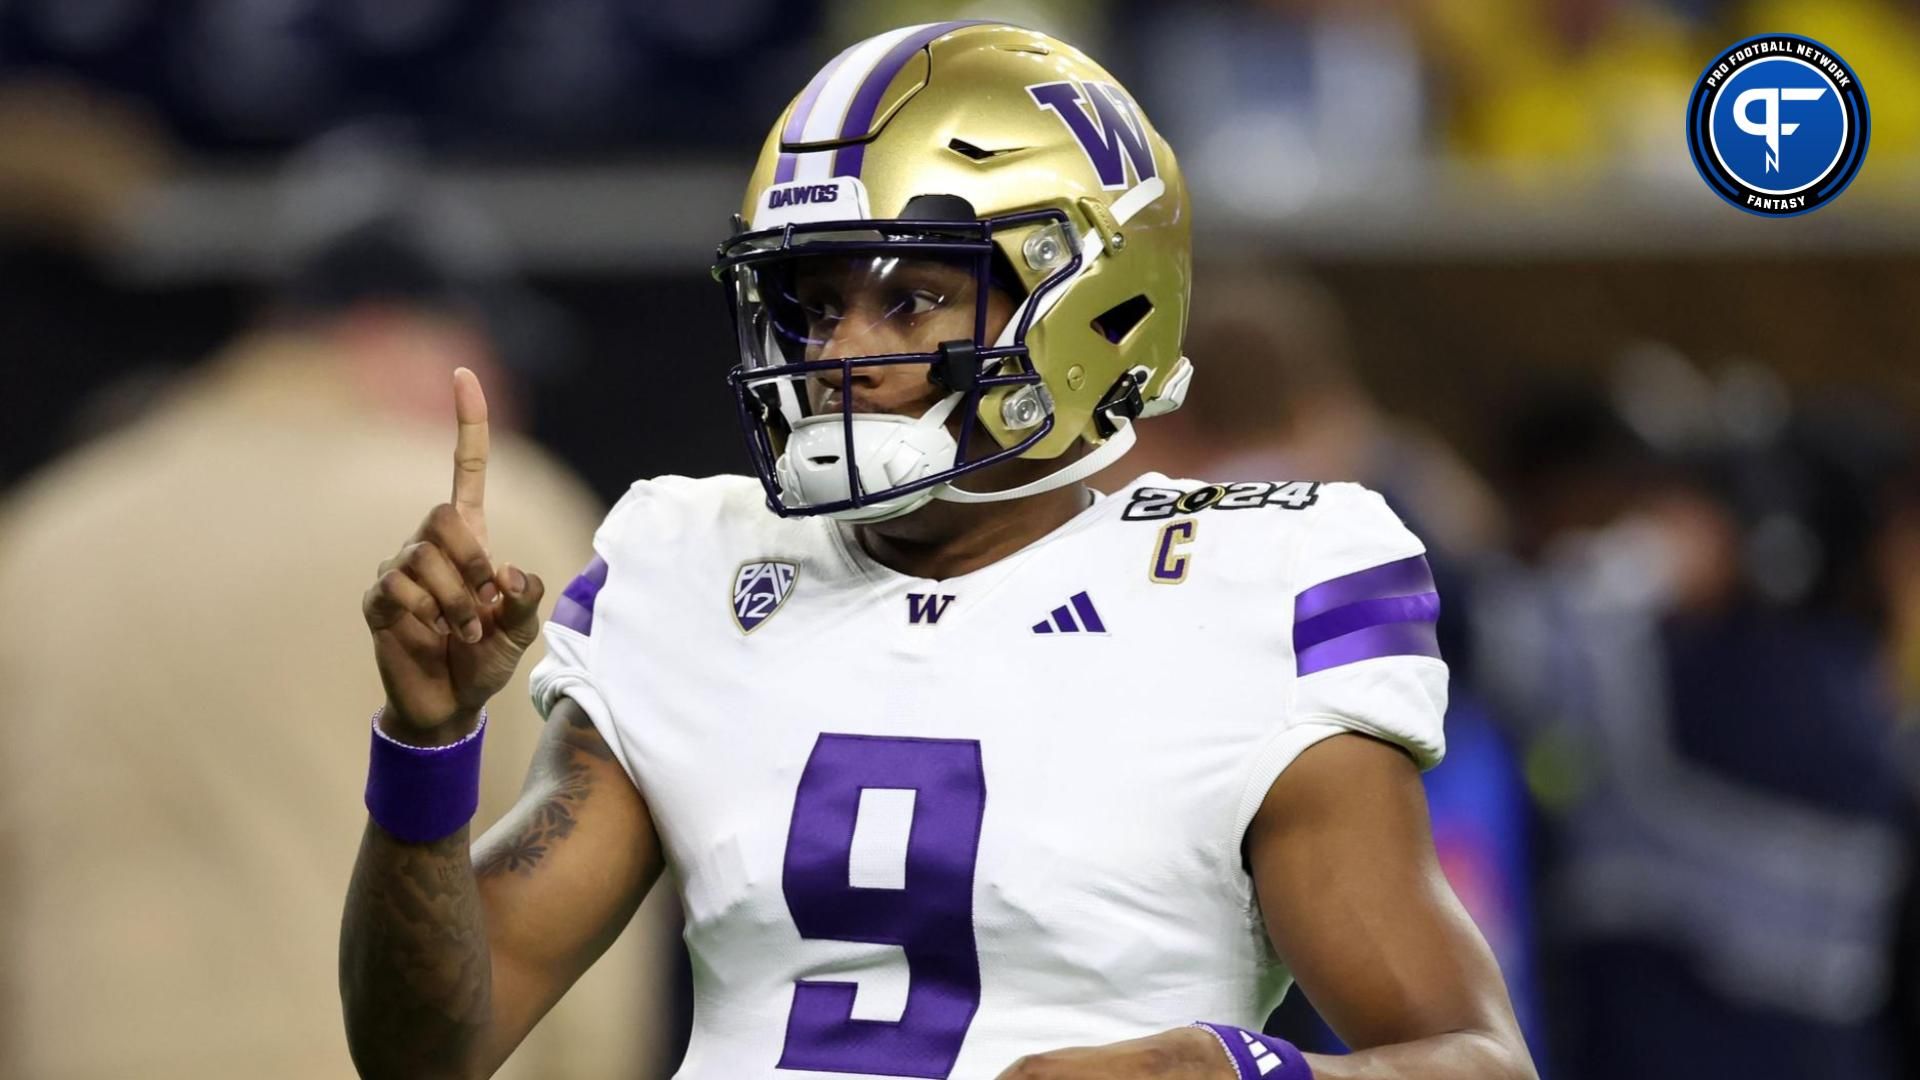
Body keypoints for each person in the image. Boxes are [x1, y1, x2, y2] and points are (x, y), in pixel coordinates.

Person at [340, 22, 1537, 1080]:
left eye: (909, 298)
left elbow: (1476, 1060)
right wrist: (425, 754)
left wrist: (1244, 1075)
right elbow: (427, 1052)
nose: (836, 350)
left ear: (1083, 305)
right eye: (812, 302)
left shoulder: (1247, 591)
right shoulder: (696, 569)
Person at [0, 146, 680, 1078]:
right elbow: (586, 943)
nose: (510, 400)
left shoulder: (44, 536)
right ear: (395, 336)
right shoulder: (494, 530)